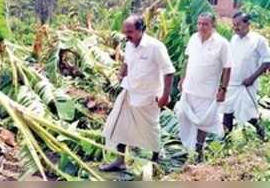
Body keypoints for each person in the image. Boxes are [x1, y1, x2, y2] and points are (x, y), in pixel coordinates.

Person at [100, 15, 175, 172]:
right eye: (125, 32)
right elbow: (126, 62)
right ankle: (120, 161)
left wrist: (165, 96)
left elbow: (169, 72)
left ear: (142, 30)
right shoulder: (129, 45)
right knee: (121, 125)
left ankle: (155, 162)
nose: (127, 35)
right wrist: (121, 74)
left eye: (130, 31)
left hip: (149, 96)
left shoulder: (156, 47)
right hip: (129, 92)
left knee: (151, 130)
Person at [176, 12, 232, 163]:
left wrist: (223, 89)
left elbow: (227, 68)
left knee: (204, 120)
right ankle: (188, 147)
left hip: (207, 91)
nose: (201, 27)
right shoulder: (194, 38)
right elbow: (187, 60)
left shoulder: (222, 43)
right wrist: (182, 79)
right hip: (190, 87)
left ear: (213, 25)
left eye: (205, 24)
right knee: (182, 114)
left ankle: (199, 149)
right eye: (199, 23)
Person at [222, 12, 270, 140]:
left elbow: (267, 61)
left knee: (249, 116)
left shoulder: (258, 40)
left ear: (247, 23)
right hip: (232, 83)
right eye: (234, 25)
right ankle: (226, 140)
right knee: (227, 113)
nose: (235, 27)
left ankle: (263, 136)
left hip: (247, 85)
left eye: (238, 24)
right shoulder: (233, 39)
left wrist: (252, 78)